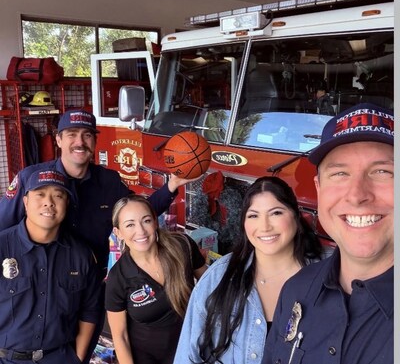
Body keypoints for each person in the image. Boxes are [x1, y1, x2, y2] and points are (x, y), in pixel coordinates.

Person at [0, 109, 194, 362]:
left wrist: (172, 186)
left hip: (82, 285)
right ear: (58, 140)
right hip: (32, 285)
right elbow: (4, 227)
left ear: (94, 141)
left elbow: (136, 215)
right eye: (71, 134)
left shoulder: (109, 182)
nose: (79, 142)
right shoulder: (33, 179)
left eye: (87, 135)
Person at [262, 102, 394, 364]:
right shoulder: (296, 290)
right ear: (319, 189)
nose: (357, 195)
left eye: (383, 172)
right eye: (340, 173)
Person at [173, 176, 324, 364]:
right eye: (253, 215)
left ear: (295, 215)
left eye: (276, 213)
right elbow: (187, 355)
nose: (265, 226)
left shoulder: (326, 280)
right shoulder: (219, 276)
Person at [0, 169, 101, 364]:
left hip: (59, 358)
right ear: (26, 202)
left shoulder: (81, 255)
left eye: (58, 195)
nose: (49, 202)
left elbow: (90, 310)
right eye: (40, 194)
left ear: (67, 204)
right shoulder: (2, 247)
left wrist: (77, 358)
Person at [105, 194, 207, 364]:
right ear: (118, 233)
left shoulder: (182, 247)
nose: (141, 231)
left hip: (191, 353)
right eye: (130, 225)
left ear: (155, 221)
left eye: (146, 221)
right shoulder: (119, 277)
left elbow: (210, 287)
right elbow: (120, 337)